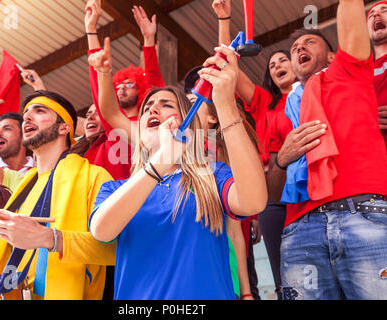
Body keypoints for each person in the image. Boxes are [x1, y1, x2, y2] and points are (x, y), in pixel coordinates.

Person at [89, 41, 267, 299]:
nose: (152, 108)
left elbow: (253, 202)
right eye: (147, 107)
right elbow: (101, 230)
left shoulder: (213, 176)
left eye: (166, 104)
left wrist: (226, 104)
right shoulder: (115, 189)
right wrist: (162, 160)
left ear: (188, 123)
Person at [268, 0, 387, 300]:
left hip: (363, 213)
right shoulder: (282, 113)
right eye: (294, 47)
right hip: (299, 229)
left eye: (309, 41)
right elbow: (270, 196)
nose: (298, 49)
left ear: (333, 54)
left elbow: (349, 12)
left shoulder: (350, 69)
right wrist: (283, 158)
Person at [0, 79, 116, 300]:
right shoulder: (23, 186)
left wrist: (49, 238)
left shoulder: (96, 177)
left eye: (40, 111)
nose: (27, 118)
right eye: (26, 115)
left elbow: (116, 249)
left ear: (65, 127)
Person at [212, 0, 297, 299]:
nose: (277, 67)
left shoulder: (316, 93)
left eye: (282, 61)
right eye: (272, 65)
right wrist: (225, 19)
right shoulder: (264, 102)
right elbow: (227, 68)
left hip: (313, 190)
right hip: (273, 193)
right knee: (282, 276)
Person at [183, 67, 253, 300]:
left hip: (222, 276)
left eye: (193, 102)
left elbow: (234, 232)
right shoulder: (164, 160)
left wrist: (246, 293)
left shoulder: (222, 165)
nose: (185, 110)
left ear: (214, 116)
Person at [367, 1, 387, 147]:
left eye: (384, 10)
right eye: (371, 15)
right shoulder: (357, 72)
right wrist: (368, 118)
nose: (376, 14)